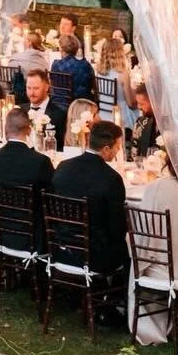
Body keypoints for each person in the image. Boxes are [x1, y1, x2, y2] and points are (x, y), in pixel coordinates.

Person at [51, 118, 129, 280]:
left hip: (61, 249)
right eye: (117, 147)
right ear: (106, 149)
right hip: (95, 257)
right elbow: (117, 228)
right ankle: (118, 297)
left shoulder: (63, 167)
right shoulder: (111, 178)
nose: (118, 151)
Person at [0, 107, 55, 205]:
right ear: (29, 131)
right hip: (33, 218)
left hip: (2, 216)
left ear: (5, 129)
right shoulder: (40, 161)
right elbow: (50, 194)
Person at [49, 34, 97, 132]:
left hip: (59, 105)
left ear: (62, 49)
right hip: (82, 106)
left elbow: (51, 85)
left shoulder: (56, 65)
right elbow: (93, 85)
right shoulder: (86, 65)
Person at [23, 67, 63, 149]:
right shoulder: (21, 111)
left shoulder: (59, 114)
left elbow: (61, 146)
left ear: (46, 87)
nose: (31, 92)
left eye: (36, 88)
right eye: (29, 88)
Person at [131, 84, 160, 159]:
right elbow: (134, 151)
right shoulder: (141, 123)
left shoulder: (171, 127)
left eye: (141, 104)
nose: (138, 107)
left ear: (154, 102)